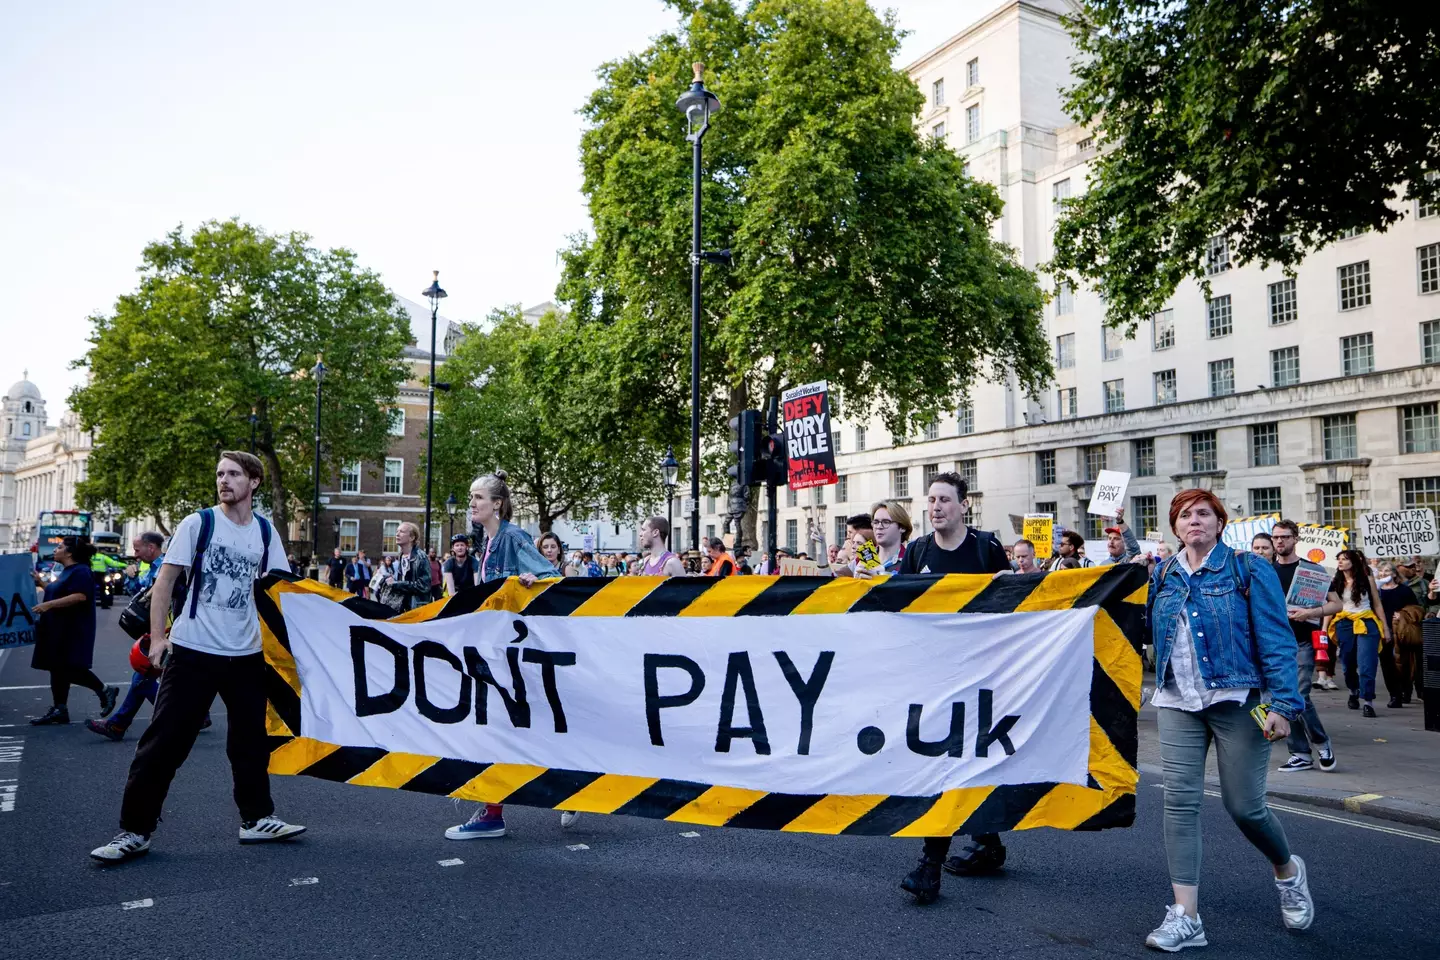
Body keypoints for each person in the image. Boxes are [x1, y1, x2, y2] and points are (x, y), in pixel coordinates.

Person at [90, 452, 303, 863]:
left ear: (254, 482)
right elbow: (166, 580)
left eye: (234, 474)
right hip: (194, 651)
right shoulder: (198, 523)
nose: (224, 480)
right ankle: (134, 831)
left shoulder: (263, 531)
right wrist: (156, 639)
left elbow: (281, 589)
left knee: (250, 745)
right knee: (164, 744)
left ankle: (256, 820)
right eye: (220, 473)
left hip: (246, 655)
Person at [1142, 488, 1312, 950]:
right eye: (1184, 515)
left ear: (1219, 523)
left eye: (1203, 514)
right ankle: (1186, 917)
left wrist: (1283, 705)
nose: (1193, 521)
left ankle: (1287, 870)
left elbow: (1276, 638)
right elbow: (1145, 633)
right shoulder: (1163, 575)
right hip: (1178, 699)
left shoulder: (1247, 567)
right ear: (1175, 527)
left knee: (1245, 808)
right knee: (1179, 803)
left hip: (1237, 698)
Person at [895, 472, 1010, 904]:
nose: (936, 506)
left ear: (964, 505)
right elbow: (901, 606)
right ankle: (988, 841)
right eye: (931, 499)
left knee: (957, 761)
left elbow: (1014, 605)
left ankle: (930, 864)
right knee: (949, 762)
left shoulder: (986, 548)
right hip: (932, 677)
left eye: (945, 499)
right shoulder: (919, 551)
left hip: (979, 676)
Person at [445, 471, 564, 840]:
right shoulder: (489, 542)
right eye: (470, 497)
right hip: (496, 649)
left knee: (509, 725)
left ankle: (563, 786)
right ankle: (497, 810)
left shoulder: (512, 537)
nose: (472, 504)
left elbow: (550, 576)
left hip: (515, 650)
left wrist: (533, 582)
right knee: (503, 726)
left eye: (478, 497)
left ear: (497, 503)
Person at [88, 532, 213, 742]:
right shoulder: (159, 567)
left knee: (145, 676)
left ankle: (124, 724)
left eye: (137, 550)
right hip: (165, 631)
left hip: (174, 632)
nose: (135, 554)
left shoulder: (178, 568)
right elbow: (140, 593)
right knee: (149, 676)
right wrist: (132, 578)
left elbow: (170, 595)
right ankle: (119, 723)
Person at [1269, 519, 1340, 774]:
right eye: (1276, 537)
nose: (1279, 541)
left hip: (1302, 641)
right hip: (1274, 643)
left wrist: (1311, 611)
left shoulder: (1312, 570)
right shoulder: (1266, 570)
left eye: (1285, 537)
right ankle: (1299, 753)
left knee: (1299, 694)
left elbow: (1336, 604)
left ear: (1295, 538)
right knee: (1284, 697)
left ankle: (1321, 744)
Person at [29, 536, 119, 725]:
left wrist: (48, 605)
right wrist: (41, 583)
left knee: (70, 667)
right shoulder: (67, 571)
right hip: (57, 627)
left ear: (69, 552)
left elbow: (80, 596)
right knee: (57, 667)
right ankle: (60, 709)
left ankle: (104, 689)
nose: (55, 550)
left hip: (72, 628)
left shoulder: (81, 571)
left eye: (59, 547)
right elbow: (60, 592)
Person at [1327, 548, 1388, 718]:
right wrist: (1324, 630)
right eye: (1338, 559)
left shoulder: (1367, 580)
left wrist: (1385, 628)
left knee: (1367, 662)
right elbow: (1330, 607)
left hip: (1366, 622)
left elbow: (1377, 604)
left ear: (1353, 561)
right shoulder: (1335, 582)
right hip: (1344, 623)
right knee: (1348, 663)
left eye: (1345, 559)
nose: (1340, 562)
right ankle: (1353, 690)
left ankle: (1368, 702)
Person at [1375, 561, 1420, 709]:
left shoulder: (1404, 590)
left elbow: (1416, 609)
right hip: (1382, 631)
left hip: (1400, 632)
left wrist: (1403, 615)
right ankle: (1394, 695)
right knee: (1387, 664)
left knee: (1403, 662)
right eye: (1381, 571)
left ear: (1394, 574)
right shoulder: (1376, 591)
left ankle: (1406, 689)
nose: (1383, 574)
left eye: (1387, 571)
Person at [853, 501, 910, 578]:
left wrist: (881, 576)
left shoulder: (909, 560)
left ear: (902, 527)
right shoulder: (865, 554)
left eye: (886, 522)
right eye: (876, 522)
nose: (879, 526)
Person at [384, 523, 433, 613]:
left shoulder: (420, 557)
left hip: (417, 608)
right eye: (397, 531)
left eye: (401, 532)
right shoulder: (401, 556)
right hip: (403, 608)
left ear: (412, 538)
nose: (397, 534)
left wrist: (397, 584)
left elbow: (424, 586)